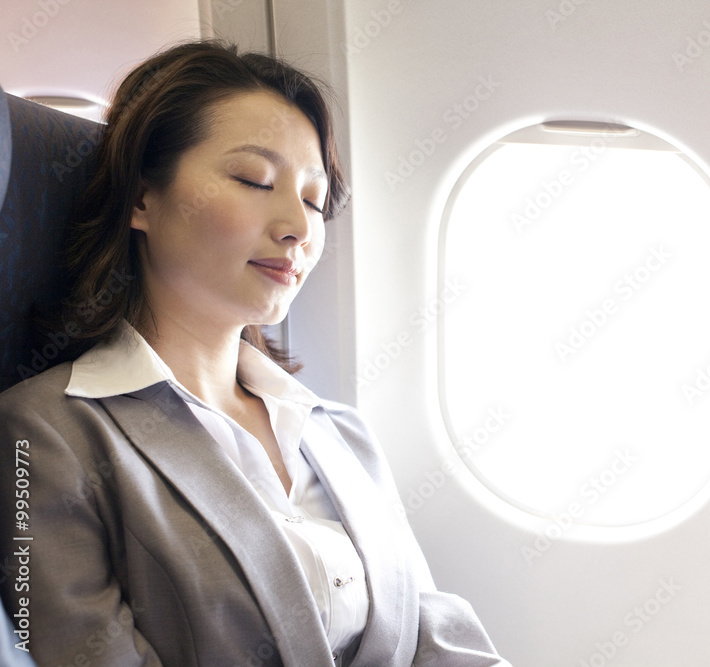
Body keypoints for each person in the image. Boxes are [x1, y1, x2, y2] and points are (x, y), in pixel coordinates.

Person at [0, 41, 508, 667]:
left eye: (316, 200)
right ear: (141, 199)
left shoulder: (337, 431)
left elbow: (435, 634)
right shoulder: (44, 433)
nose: (298, 225)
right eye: (254, 180)